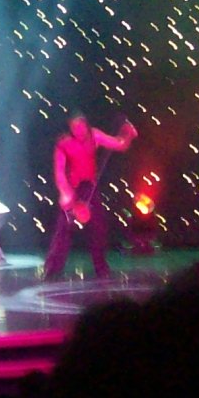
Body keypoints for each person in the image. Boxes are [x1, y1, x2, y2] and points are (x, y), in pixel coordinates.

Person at [43, 113, 137, 279]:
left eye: (80, 126)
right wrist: (70, 200)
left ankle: (101, 268)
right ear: (70, 128)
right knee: (63, 231)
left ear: (86, 125)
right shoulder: (64, 144)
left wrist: (128, 134)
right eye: (74, 127)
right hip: (71, 189)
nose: (78, 131)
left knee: (98, 229)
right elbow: (59, 173)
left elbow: (119, 144)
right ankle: (52, 270)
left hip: (90, 188)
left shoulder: (95, 135)